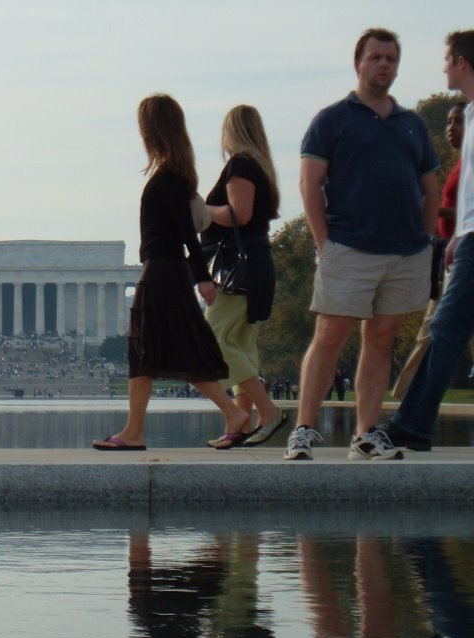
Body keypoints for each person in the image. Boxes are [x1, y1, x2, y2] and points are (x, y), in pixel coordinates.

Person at [285, 28, 440, 461]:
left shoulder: (412, 124)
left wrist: (427, 241)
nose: (383, 65)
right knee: (330, 334)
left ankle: (367, 433)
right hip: (349, 245)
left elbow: (430, 188)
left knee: (382, 338)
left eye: (390, 58)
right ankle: (303, 428)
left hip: (405, 250)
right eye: (375, 57)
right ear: (359, 63)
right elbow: (309, 183)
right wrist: (324, 242)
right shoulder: (332, 119)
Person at [93, 94, 248, 451]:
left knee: (148, 350)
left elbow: (185, 232)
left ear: (151, 130)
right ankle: (228, 414)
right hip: (165, 269)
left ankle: (136, 432)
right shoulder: (174, 174)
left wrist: (202, 276)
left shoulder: (169, 177)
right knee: (163, 352)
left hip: (163, 271)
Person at [385, 31, 474, 451]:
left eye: (445, 59)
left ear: (461, 61)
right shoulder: (471, 115)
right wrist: (459, 233)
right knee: (446, 327)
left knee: (445, 327)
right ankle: (413, 423)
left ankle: (413, 424)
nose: (442, 67)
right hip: (468, 237)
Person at [202, 105, 286, 447]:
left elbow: (239, 213)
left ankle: (267, 411)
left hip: (238, 269)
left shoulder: (240, 164)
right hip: (256, 264)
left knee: (214, 341)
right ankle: (238, 423)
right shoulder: (262, 167)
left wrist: (200, 209)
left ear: (230, 132)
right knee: (242, 344)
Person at [392, 100, 472, 410]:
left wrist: (433, 209)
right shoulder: (459, 165)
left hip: (463, 255)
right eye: (449, 122)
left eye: (458, 122)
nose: (451, 129)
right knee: (434, 329)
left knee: (434, 329)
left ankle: (407, 404)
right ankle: (409, 403)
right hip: (450, 255)